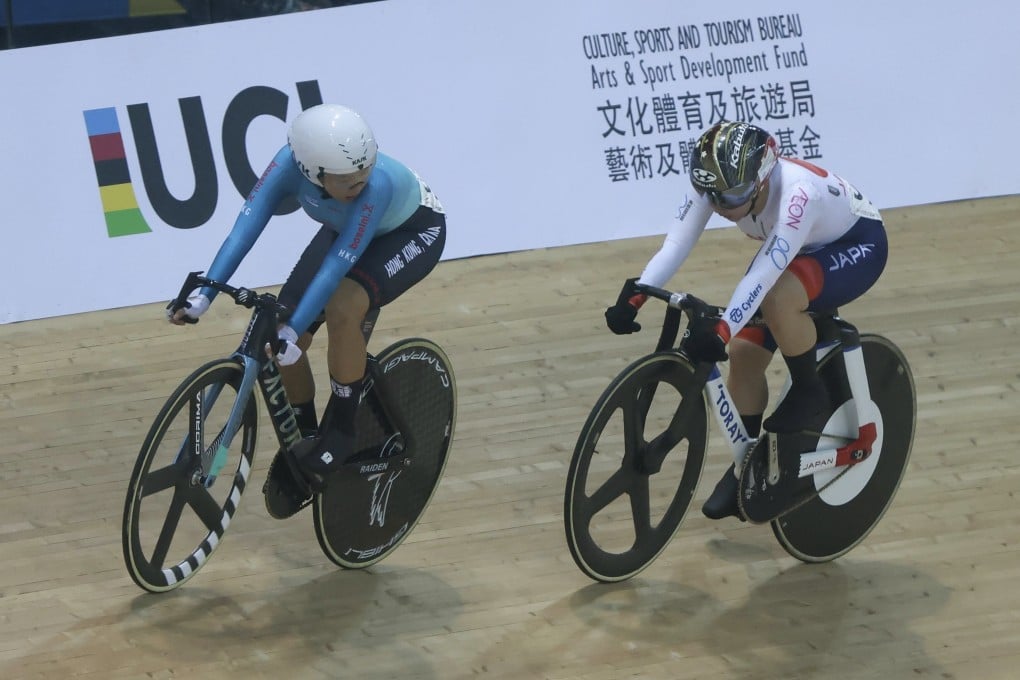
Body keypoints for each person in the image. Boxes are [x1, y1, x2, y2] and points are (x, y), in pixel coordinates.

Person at [167, 103, 447, 514]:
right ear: (313, 173)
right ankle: (305, 433)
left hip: (411, 231)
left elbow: (338, 265)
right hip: (346, 230)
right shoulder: (285, 167)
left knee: (343, 307)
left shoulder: (375, 188)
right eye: (350, 181)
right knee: (279, 329)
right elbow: (244, 230)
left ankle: (341, 434)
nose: (361, 182)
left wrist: (295, 328)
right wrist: (202, 297)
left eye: (364, 172)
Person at [604, 121, 887, 520]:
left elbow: (764, 276)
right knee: (744, 351)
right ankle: (747, 469)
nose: (722, 206)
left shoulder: (796, 195)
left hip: (856, 244)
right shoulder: (718, 182)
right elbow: (676, 243)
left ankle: (810, 392)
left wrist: (720, 328)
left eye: (733, 196)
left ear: (762, 178)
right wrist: (637, 293)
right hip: (799, 246)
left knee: (777, 300)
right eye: (713, 196)